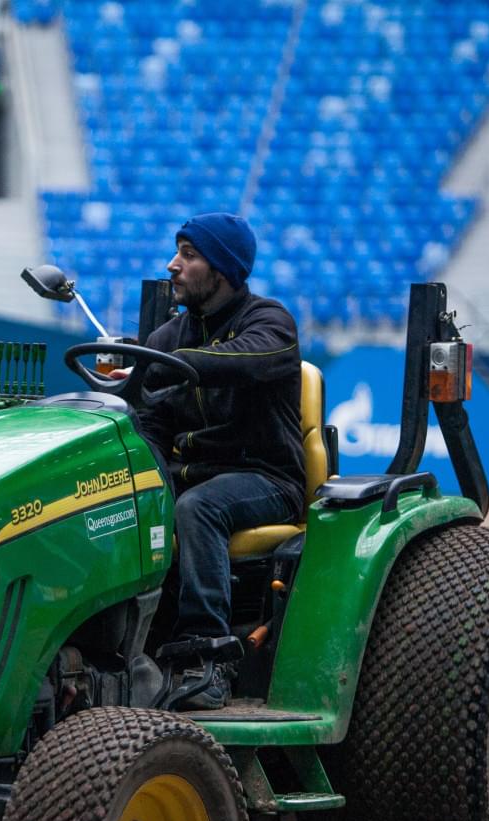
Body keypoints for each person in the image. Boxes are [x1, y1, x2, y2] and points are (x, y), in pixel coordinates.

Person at [135, 213, 305, 710]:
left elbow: (246, 359)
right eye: (177, 252)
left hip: (266, 478)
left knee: (198, 508)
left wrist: (167, 364)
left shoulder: (270, 322)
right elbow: (152, 425)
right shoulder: (168, 338)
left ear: (223, 269)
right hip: (189, 478)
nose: (173, 265)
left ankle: (206, 656)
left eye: (188, 255)